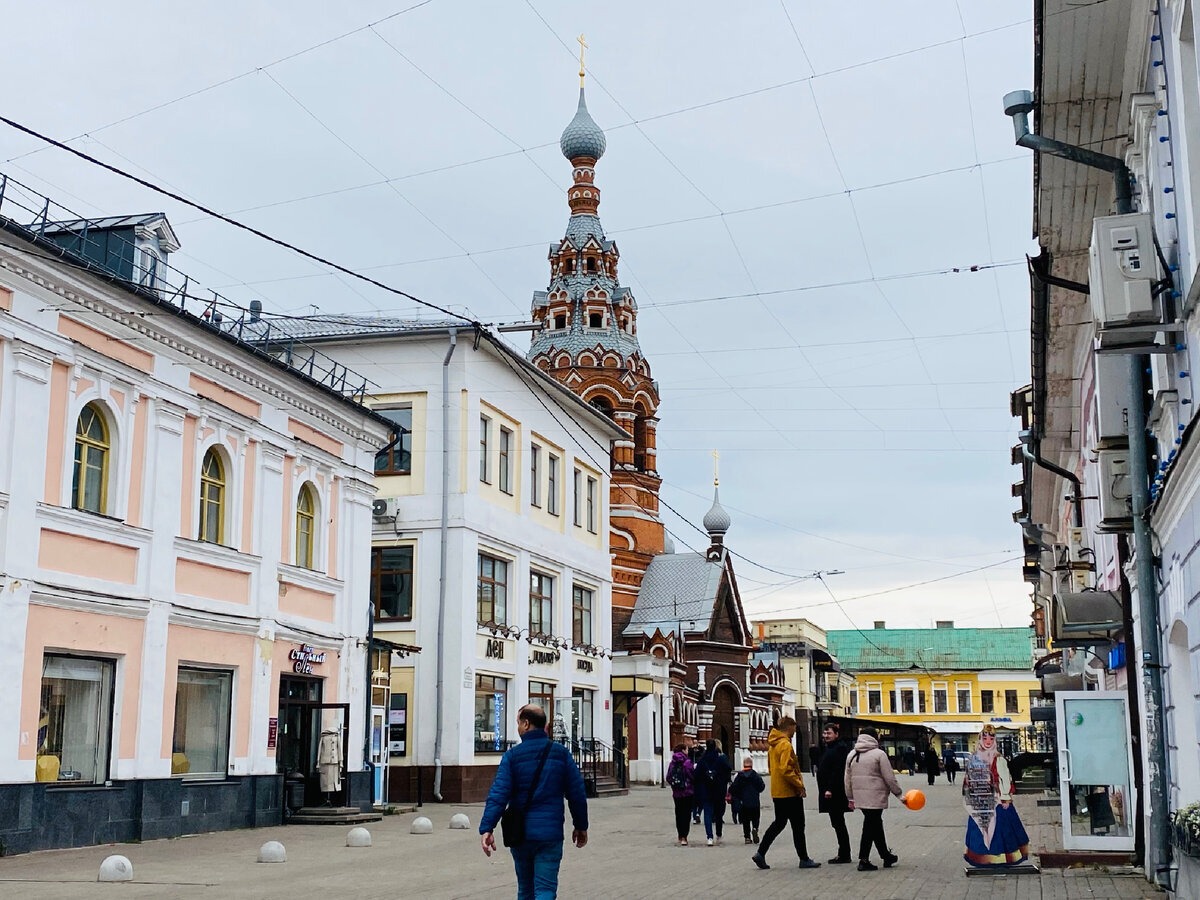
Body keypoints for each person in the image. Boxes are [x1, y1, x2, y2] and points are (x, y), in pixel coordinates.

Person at [479, 704, 588, 900]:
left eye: (519, 723)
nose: (518, 728)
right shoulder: (561, 754)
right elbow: (577, 793)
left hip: (520, 835)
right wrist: (580, 826)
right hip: (550, 834)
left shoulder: (512, 757)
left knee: (526, 890)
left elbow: (499, 794)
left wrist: (487, 828)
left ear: (526, 724)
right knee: (545, 889)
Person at [751, 716, 821, 871]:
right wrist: (799, 785)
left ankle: (760, 853)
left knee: (779, 823)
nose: (795, 731)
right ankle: (804, 858)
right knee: (798, 825)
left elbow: (772, 768)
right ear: (789, 727)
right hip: (790, 792)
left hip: (778, 791)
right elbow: (786, 769)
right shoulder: (785, 745)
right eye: (794, 728)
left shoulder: (773, 745)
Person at [962, 724, 1030, 867]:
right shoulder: (974, 758)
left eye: (991, 738)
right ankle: (981, 858)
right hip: (980, 801)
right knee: (979, 829)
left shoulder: (999, 759)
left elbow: (1005, 778)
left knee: (1002, 830)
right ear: (980, 739)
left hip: (997, 801)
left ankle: (1002, 859)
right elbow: (968, 779)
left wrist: (1005, 797)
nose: (988, 741)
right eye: (985, 738)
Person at [845, 726, 902, 871]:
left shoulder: (852, 754)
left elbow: (847, 779)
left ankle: (886, 856)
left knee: (875, 824)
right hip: (876, 796)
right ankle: (863, 860)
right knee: (870, 826)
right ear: (875, 737)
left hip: (860, 797)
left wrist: (850, 797)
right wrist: (899, 794)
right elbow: (889, 777)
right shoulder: (879, 754)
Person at [816, 723, 853, 864]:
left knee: (838, 823)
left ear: (836, 734)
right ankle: (843, 852)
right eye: (824, 734)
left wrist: (830, 788)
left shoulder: (840, 748)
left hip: (835, 793)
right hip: (829, 791)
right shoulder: (830, 748)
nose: (826, 736)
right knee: (837, 823)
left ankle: (844, 854)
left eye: (829, 733)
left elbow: (838, 771)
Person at [695, 739, 733, 846]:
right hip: (719, 791)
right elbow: (729, 769)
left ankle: (709, 837)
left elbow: (696, 775)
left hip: (706, 791)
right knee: (719, 814)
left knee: (707, 814)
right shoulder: (721, 759)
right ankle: (719, 834)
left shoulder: (702, 760)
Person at [729, 756, 765, 844]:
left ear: (743, 765)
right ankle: (755, 828)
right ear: (752, 765)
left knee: (745, 820)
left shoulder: (740, 776)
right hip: (755, 801)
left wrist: (737, 796)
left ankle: (747, 837)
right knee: (755, 817)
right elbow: (761, 786)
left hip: (743, 802)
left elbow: (733, 788)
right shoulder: (755, 775)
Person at [666, 743, 696, 846]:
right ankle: (684, 837)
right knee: (686, 814)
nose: (688, 751)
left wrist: (675, 786)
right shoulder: (687, 762)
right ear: (683, 750)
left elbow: (668, 777)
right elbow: (692, 776)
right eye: (687, 749)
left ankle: (680, 835)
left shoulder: (672, 763)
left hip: (677, 793)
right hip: (687, 792)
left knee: (678, 813)